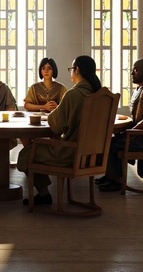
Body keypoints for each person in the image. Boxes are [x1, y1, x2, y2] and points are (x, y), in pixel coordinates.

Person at [17, 55, 102, 206]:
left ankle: (44, 194)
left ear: (77, 70)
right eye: (43, 68)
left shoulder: (73, 94)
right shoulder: (98, 94)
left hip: (69, 152)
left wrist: (52, 115)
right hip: (93, 153)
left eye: (71, 69)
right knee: (36, 150)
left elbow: (57, 125)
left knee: (27, 153)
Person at [97, 58, 143, 192]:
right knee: (110, 140)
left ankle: (117, 180)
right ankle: (110, 175)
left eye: (135, 70)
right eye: (132, 70)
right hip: (141, 136)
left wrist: (135, 129)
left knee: (109, 144)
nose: (131, 73)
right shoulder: (142, 88)